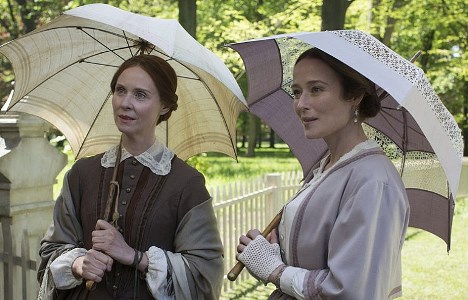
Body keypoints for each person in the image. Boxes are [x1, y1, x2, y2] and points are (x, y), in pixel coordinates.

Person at [37, 54, 224, 299]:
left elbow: (204, 274)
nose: (125, 102)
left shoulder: (187, 183)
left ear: (165, 106)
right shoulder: (81, 174)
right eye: (120, 90)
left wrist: (135, 256)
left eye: (140, 95)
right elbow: (50, 251)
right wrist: (78, 264)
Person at [236, 48, 410, 299]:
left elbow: (351, 291)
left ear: (355, 96)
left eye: (316, 89)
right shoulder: (327, 166)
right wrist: (271, 252)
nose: (301, 104)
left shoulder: (374, 182)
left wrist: (276, 271)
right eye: (297, 92)